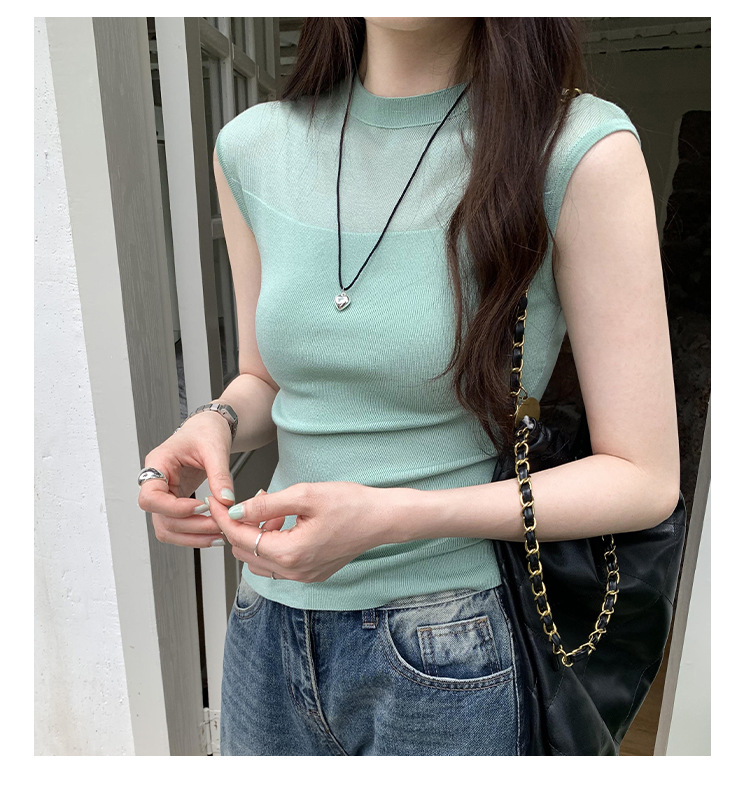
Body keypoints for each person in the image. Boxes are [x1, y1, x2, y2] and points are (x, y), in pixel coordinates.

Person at [137, 18, 680, 756]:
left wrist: (397, 517)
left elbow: (643, 478)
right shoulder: (252, 147)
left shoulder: (575, 146)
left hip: (453, 646)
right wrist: (217, 419)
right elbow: (265, 375)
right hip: (266, 626)